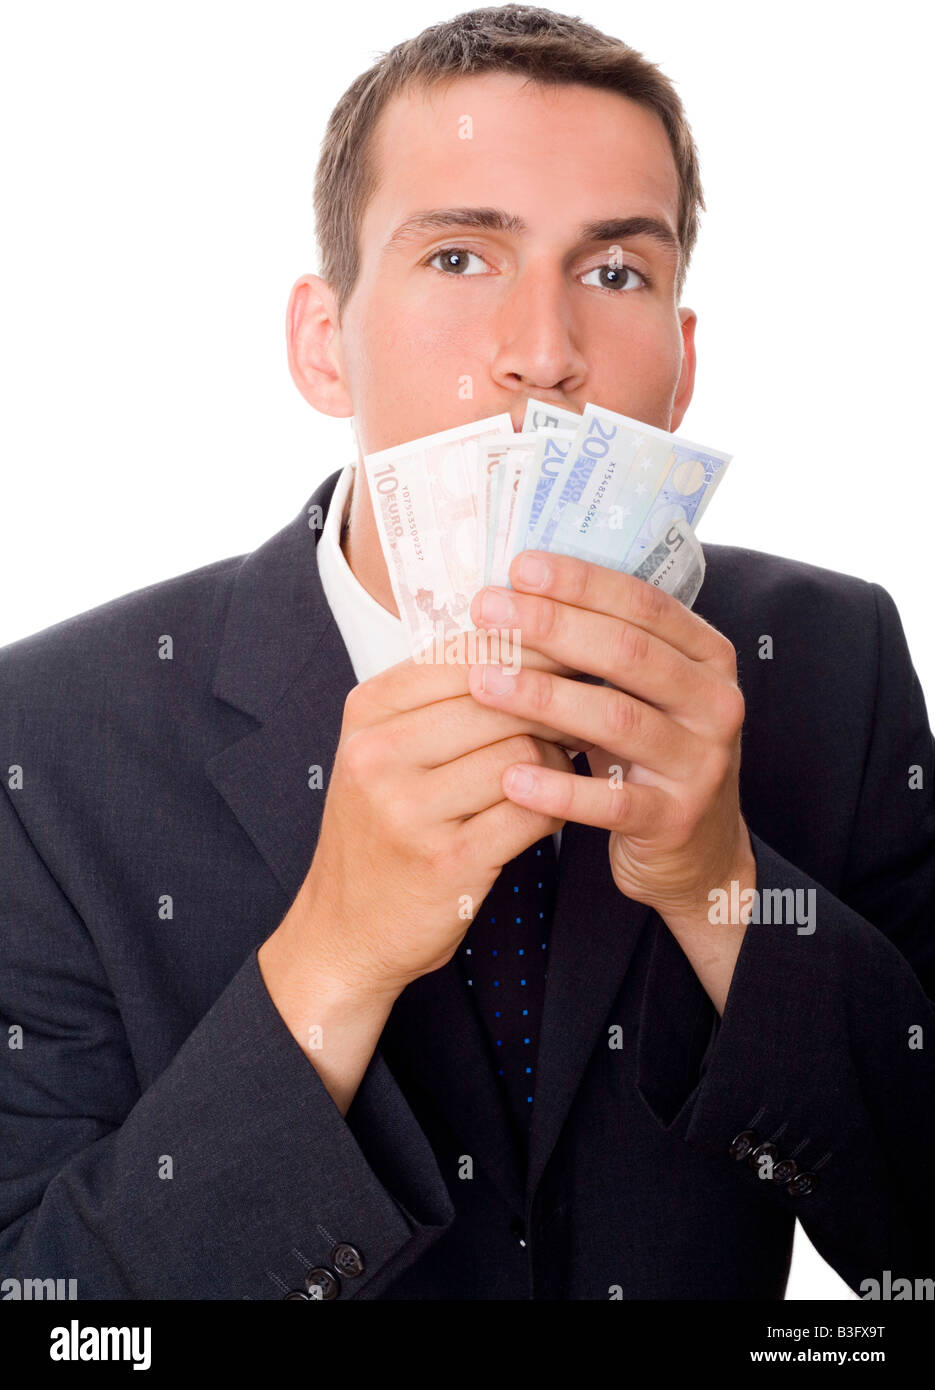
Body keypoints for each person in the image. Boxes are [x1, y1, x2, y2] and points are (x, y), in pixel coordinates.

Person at [1, 4, 933, 1302]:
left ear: (683, 361)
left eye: (614, 273)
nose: (544, 354)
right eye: (458, 257)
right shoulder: (45, 737)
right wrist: (328, 961)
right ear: (322, 342)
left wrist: (725, 889)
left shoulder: (836, 668)